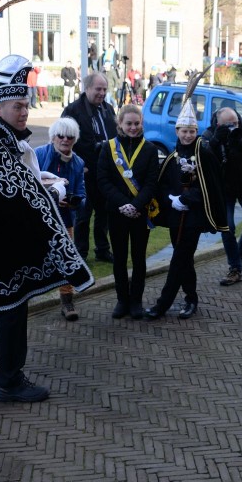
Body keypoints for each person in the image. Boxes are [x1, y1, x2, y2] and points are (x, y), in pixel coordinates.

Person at [0, 55, 93, 403]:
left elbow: (17, 182)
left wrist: (40, 181)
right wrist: (54, 190)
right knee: (12, 306)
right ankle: (9, 381)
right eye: (18, 106)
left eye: (26, 104)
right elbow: (22, 195)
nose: (25, 111)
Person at [144, 114, 227, 320]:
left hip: (194, 217)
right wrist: (170, 198)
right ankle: (191, 298)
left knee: (179, 258)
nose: (188, 135)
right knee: (184, 260)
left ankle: (162, 304)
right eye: (184, 131)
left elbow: (210, 184)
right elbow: (162, 184)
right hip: (175, 217)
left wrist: (187, 198)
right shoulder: (172, 157)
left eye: (191, 131)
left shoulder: (204, 154)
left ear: (196, 131)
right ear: (177, 132)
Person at [98, 104, 159, 320]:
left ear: (142, 123)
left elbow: (152, 183)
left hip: (140, 213)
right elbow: (103, 180)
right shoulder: (108, 148)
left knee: (139, 259)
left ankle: (136, 301)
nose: (133, 127)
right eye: (129, 124)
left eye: (137, 123)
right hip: (117, 212)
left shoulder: (150, 149)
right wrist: (123, 204)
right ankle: (122, 300)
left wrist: (136, 205)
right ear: (120, 124)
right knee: (120, 258)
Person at [204, 106, 242, 285]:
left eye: (235, 122)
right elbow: (203, 160)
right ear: (219, 123)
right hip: (224, 188)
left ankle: (241, 252)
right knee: (227, 226)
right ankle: (235, 268)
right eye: (228, 125)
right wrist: (216, 141)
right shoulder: (210, 134)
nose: (233, 127)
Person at [62, 71, 118, 261]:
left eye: (104, 89)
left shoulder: (108, 109)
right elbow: (62, 139)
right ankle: (81, 253)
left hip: (105, 172)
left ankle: (102, 250)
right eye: (98, 89)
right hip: (83, 172)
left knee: (104, 212)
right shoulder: (73, 111)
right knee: (83, 214)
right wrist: (75, 165)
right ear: (87, 89)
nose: (102, 93)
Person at [34, 117, 86, 322]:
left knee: (66, 261)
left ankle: (67, 302)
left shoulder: (78, 163)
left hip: (64, 219)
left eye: (70, 136)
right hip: (37, 218)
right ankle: (18, 302)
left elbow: (82, 194)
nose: (65, 140)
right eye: (60, 135)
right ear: (53, 137)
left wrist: (74, 202)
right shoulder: (38, 154)